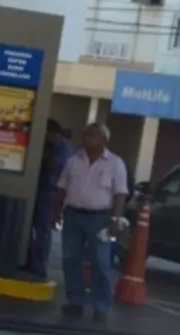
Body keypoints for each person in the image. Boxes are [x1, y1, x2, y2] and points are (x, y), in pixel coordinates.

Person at [54, 122, 128, 323]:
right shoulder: (73, 160)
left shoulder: (115, 163)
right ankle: (75, 301)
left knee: (100, 262)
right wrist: (56, 212)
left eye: (91, 135)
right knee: (70, 259)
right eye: (85, 134)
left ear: (103, 139)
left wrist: (115, 219)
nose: (86, 138)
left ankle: (101, 306)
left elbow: (120, 193)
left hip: (100, 218)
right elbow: (61, 187)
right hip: (73, 214)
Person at [27, 119, 72, 277]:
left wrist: (42, 154)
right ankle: (30, 260)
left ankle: (39, 264)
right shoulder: (49, 146)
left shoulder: (64, 149)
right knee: (31, 227)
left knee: (43, 229)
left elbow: (55, 166)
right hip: (38, 188)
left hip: (51, 192)